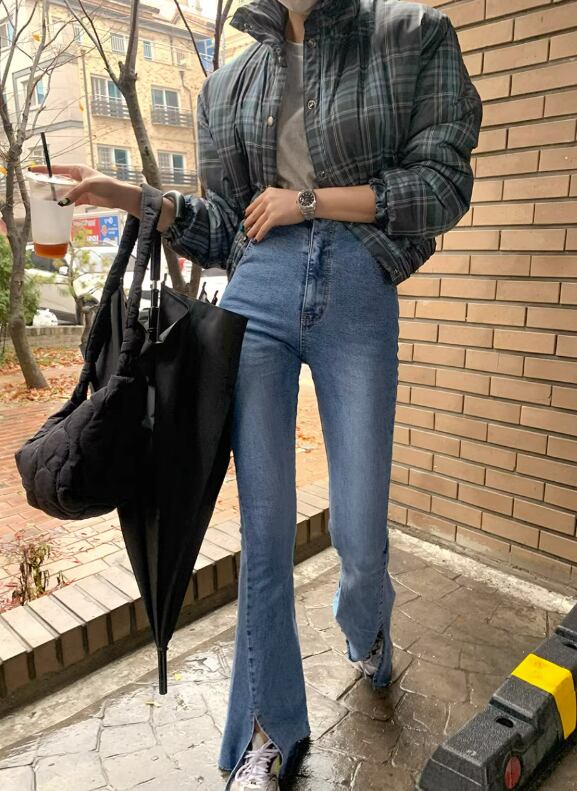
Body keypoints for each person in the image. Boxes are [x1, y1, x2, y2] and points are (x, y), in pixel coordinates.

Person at [32, 1, 482, 788]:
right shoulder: (226, 85)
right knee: (264, 534)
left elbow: (440, 185)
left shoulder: (409, 36)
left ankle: (365, 622)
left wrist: (308, 200)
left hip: (357, 287)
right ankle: (267, 730)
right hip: (257, 296)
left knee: (359, 533)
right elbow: (221, 226)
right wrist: (130, 196)